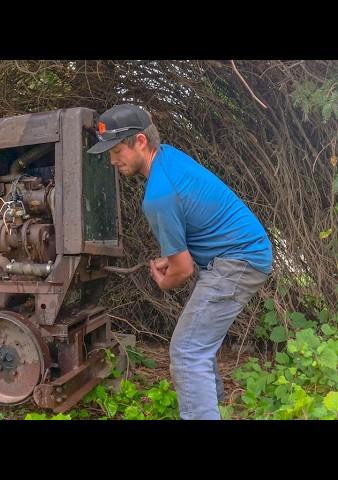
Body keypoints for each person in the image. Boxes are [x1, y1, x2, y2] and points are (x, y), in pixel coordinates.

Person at [87, 104, 272, 420]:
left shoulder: (159, 195)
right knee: (198, 344)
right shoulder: (168, 158)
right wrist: (172, 261)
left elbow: (183, 271)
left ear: (141, 142)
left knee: (187, 352)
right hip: (237, 256)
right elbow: (186, 246)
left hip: (237, 262)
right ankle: (211, 408)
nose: (112, 160)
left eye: (117, 150)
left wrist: (166, 278)